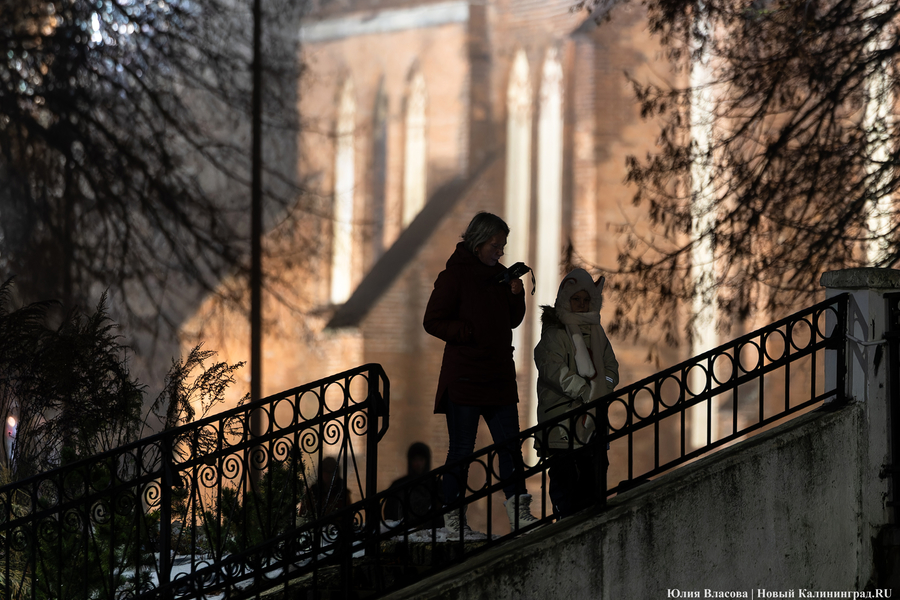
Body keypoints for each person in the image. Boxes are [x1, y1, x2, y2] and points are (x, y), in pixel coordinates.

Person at [423, 211, 538, 538]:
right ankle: (454, 520)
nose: (501, 250)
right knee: (462, 449)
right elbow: (433, 320)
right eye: (495, 243)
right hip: (466, 377)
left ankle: (519, 513)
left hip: (498, 375)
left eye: (503, 244)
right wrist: (466, 332)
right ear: (478, 241)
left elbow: (511, 321)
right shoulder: (455, 276)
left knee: (510, 446)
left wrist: (517, 298)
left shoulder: (500, 277)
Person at [534, 268, 619, 518]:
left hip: (593, 420)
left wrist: (602, 387)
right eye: (576, 299)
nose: (581, 305)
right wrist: (584, 390)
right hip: (562, 420)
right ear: (564, 300)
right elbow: (553, 370)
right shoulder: (554, 334)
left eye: (586, 300)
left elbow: (611, 367)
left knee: (594, 474)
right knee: (565, 477)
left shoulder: (597, 332)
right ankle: (566, 521)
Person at [383, 442, 441, 528]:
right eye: (415, 460)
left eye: (421, 459)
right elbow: (390, 512)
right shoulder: (399, 485)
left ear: (426, 461)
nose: (418, 464)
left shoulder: (437, 484)